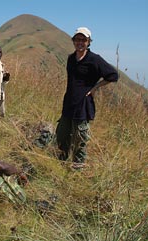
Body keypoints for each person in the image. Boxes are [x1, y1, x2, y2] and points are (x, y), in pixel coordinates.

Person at [56, 27, 118, 169]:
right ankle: (62, 162)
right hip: (69, 104)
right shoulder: (71, 59)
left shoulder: (94, 59)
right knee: (62, 135)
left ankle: (78, 168)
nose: (80, 42)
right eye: (77, 39)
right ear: (73, 41)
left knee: (80, 138)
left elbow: (113, 75)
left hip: (83, 105)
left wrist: (95, 88)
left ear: (89, 42)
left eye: (84, 40)